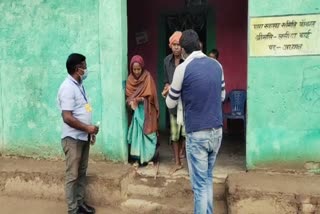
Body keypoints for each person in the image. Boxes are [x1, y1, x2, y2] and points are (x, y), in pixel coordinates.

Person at [166, 30, 226, 214]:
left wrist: (172, 92)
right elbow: (222, 96)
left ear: (183, 49)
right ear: (199, 45)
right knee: (207, 179)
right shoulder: (217, 65)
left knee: (199, 186)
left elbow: (170, 102)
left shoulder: (182, 69)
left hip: (197, 133)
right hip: (217, 131)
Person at [57, 53, 99, 214]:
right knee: (72, 175)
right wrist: (87, 128)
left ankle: (80, 204)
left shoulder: (79, 85)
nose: (86, 69)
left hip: (83, 136)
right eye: (85, 66)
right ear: (77, 69)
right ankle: (72, 209)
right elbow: (67, 117)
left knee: (81, 173)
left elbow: (84, 108)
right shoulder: (67, 88)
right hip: (72, 139)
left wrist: (90, 131)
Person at [126, 55, 159, 166]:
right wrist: (131, 101)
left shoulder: (147, 77)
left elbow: (152, 96)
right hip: (137, 112)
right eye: (134, 69)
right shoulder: (130, 80)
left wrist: (140, 99)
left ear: (142, 67)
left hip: (148, 110)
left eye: (138, 69)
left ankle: (148, 158)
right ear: (131, 68)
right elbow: (128, 97)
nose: (136, 72)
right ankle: (137, 158)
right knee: (137, 134)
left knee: (148, 134)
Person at [162, 31, 186, 174]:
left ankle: (183, 156)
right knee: (174, 134)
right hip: (173, 102)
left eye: (179, 45)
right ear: (170, 46)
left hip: (185, 102)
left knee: (185, 134)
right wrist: (166, 88)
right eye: (174, 45)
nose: (176, 47)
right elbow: (166, 80)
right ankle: (177, 162)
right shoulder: (166, 61)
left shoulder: (187, 61)